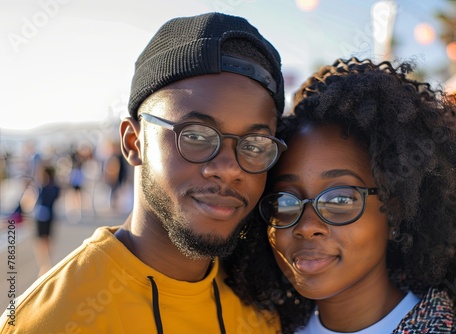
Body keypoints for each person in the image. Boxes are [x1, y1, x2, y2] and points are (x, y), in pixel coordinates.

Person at [0, 12, 287, 333]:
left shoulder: (263, 308)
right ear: (134, 142)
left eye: (254, 144)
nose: (229, 169)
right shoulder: (49, 322)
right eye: (195, 135)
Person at [225, 58, 456, 333]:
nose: (307, 227)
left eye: (339, 200)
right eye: (285, 201)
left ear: (394, 211)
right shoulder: (262, 324)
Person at [32, 164, 61, 277]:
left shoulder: (39, 187)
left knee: (41, 241)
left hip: (40, 216)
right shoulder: (55, 187)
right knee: (48, 240)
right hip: (50, 215)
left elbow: (29, 201)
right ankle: (48, 263)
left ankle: (44, 264)